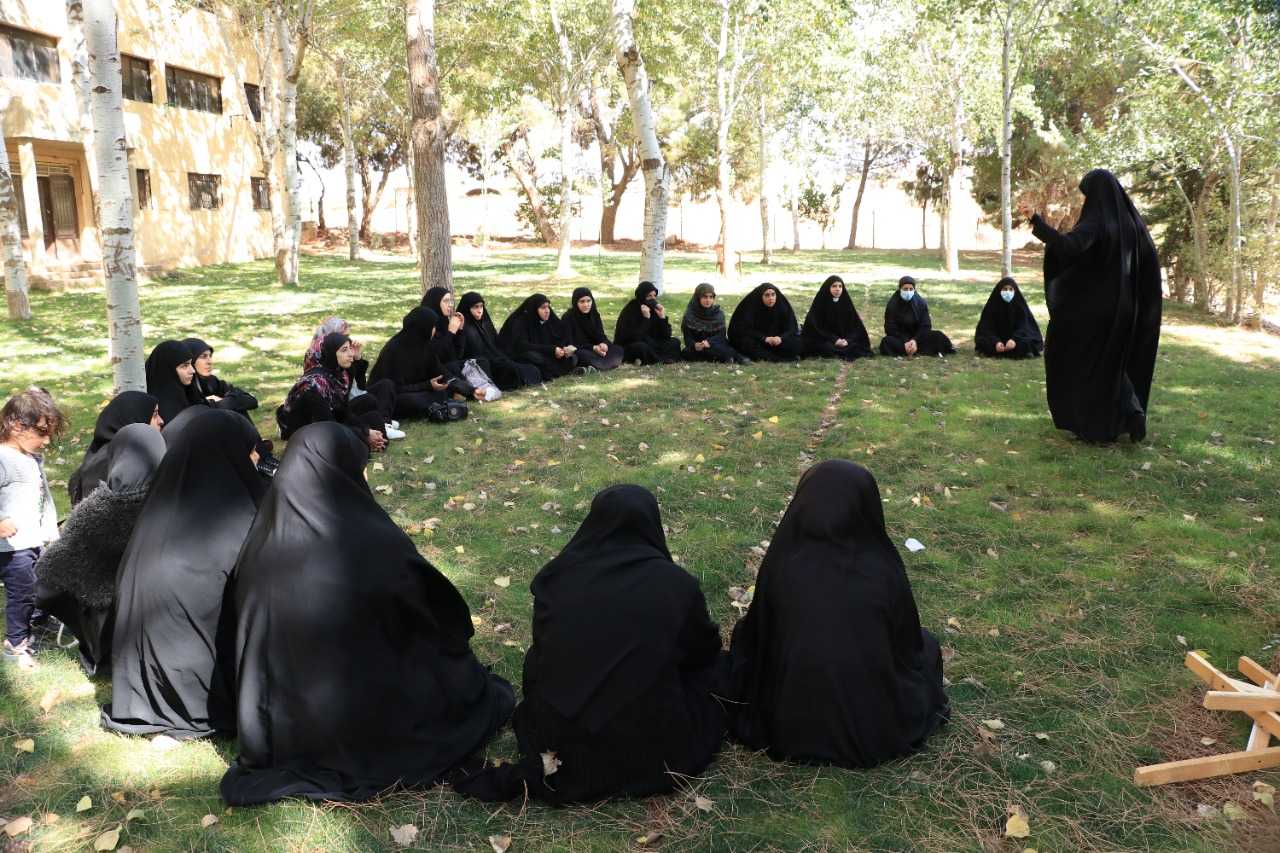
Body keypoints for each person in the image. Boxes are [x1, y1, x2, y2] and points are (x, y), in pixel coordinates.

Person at [220, 423, 514, 805]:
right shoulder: (369, 542)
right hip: (360, 710)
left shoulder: (259, 542)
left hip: (282, 722)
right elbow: (437, 610)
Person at [453, 485, 725, 804]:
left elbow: (546, 655)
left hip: (563, 734)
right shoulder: (677, 585)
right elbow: (703, 650)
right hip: (647, 741)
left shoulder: (557, 577)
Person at [726, 460, 949, 769]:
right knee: (928, 646)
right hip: (872, 726)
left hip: (785, 724)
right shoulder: (881, 570)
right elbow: (906, 647)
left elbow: (760, 638)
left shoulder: (783, 565)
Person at [102, 410, 266, 739]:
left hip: (140, 679)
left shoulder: (163, 500)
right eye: (250, 450)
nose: (256, 458)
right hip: (196, 687)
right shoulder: (231, 515)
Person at [1023, 168, 1161, 443]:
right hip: (1127, 310)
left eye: (1087, 195)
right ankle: (1131, 411)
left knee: (1082, 360)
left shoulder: (1097, 220)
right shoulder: (1132, 223)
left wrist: (1036, 222)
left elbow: (1069, 247)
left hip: (1095, 311)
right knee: (1112, 362)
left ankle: (1096, 428)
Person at [35, 424, 165, 678]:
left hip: (107, 624)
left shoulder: (99, 510)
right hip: (158, 618)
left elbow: (50, 580)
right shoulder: (174, 501)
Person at [0, 389, 66, 669]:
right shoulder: (3, 459)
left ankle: (37, 622)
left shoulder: (28, 456)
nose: (46, 440)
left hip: (32, 540)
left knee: (39, 584)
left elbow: (43, 497)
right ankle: (15, 646)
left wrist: (49, 528)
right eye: (41, 432)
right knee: (22, 593)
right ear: (17, 426)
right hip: (12, 547)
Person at [277, 333, 396, 451]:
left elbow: (344, 409)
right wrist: (364, 434)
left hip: (330, 418)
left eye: (350, 348)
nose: (351, 354)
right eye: (344, 350)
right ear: (331, 353)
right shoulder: (314, 385)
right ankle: (368, 444)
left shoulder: (340, 373)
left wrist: (365, 431)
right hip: (308, 429)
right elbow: (329, 426)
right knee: (354, 445)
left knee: (373, 416)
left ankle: (375, 442)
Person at [369, 307, 481, 417]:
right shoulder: (394, 350)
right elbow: (394, 388)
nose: (434, 330)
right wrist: (427, 385)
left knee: (442, 389)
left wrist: (472, 391)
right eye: (432, 327)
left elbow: (443, 373)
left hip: (419, 390)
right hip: (390, 396)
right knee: (412, 401)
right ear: (422, 328)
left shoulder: (425, 346)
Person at [67, 391, 162, 506]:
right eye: (154, 415)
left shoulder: (98, 455)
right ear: (135, 418)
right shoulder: (122, 464)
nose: (161, 421)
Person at [456, 291, 543, 389]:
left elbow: (496, 345)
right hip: (480, 366)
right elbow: (460, 353)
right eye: (476, 307)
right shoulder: (463, 327)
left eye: (481, 306)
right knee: (510, 370)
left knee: (530, 367)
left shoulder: (485, 322)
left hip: (496, 358)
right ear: (467, 308)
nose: (480, 310)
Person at [498, 293, 580, 380]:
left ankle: (554, 370)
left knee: (572, 357)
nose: (547, 311)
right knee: (535, 358)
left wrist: (562, 349)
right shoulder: (519, 322)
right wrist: (551, 350)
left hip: (545, 352)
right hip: (521, 354)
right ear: (534, 309)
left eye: (548, 307)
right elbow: (522, 346)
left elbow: (559, 335)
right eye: (543, 308)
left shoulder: (547, 318)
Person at [879, 277, 955, 357]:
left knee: (938, 336)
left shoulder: (920, 303)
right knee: (886, 342)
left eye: (911, 289)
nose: (908, 292)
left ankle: (909, 350)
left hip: (918, 338)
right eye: (905, 289)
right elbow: (890, 328)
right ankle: (911, 349)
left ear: (914, 290)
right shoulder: (892, 305)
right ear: (900, 289)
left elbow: (926, 325)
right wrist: (905, 342)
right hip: (900, 338)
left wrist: (914, 340)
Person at [801, 275, 873, 360]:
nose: (837, 289)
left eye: (840, 286)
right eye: (834, 286)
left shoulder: (846, 303)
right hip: (825, 339)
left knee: (856, 346)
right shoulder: (820, 304)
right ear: (828, 288)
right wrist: (835, 339)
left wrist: (847, 340)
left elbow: (856, 328)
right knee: (825, 347)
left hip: (844, 340)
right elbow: (816, 328)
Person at [728, 282, 804, 362]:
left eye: (773, 295)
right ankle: (775, 358)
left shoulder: (782, 306)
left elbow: (791, 328)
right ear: (760, 296)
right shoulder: (750, 307)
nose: (771, 298)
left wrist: (780, 338)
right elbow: (742, 330)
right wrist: (764, 338)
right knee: (746, 343)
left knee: (796, 343)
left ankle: (769, 356)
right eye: (767, 295)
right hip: (758, 340)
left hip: (777, 341)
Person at [183, 338, 260, 416]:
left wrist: (223, 403)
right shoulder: (183, 387)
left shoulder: (211, 381)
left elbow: (251, 400)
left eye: (210, 356)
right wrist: (216, 404)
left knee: (237, 408)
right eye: (203, 357)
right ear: (190, 360)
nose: (209, 362)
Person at [613, 281, 681, 365]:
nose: (653, 299)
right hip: (630, 345)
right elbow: (635, 337)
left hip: (652, 343)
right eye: (649, 296)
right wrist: (646, 318)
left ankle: (656, 358)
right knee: (642, 347)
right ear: (642, 295)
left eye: (654, 296)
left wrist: (662, 318)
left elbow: (666, 335)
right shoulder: (631, 309)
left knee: (675, 342)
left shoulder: (654, 309)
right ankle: (660, 359)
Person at [974, 277, 1043, 359]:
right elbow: (986, 328)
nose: (1008, 292)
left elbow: (1024, 326)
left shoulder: (1019, 305)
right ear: (999, 290)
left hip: (1016, 339)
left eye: (1011, 289)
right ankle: (1004, 349)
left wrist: (1014, 340)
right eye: (1005, 289)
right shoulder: (992, 306)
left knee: (1027, 342)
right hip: (996, 339)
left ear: (1015, 291)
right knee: (983, 342)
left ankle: (1008, 350)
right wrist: (996, 342)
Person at [681, 283, 748, 364]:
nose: (708, 300)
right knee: (686, 352)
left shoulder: (718, 313)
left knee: (720, 348)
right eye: (705, 297)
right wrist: (695, 345)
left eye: (711, 297)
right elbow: (688, 338)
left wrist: (709, 342)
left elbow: (721, 335)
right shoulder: (689, 315)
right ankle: (725, 357)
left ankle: (734, 357)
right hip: (698, 347)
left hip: (715, 343)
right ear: (697, 298)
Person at [563, 287, 626, 372]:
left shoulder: (594, 314)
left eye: (588, 301)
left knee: (618, 349)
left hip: (596, 350)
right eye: (582, 301)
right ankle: (603, 364)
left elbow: (601, 335)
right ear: (576, 302)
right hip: (581, 349)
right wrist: (593, 348)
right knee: (580, 355)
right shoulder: (568, 317)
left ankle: (598, 365)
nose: (586, 305)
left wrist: (604, 344)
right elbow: (570, 343)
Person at [145, 339, 206, 423]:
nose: (192, 371)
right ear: (168, 370)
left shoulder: (187, 391)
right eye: (185, 366)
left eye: (191, 364)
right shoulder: (163, 411)